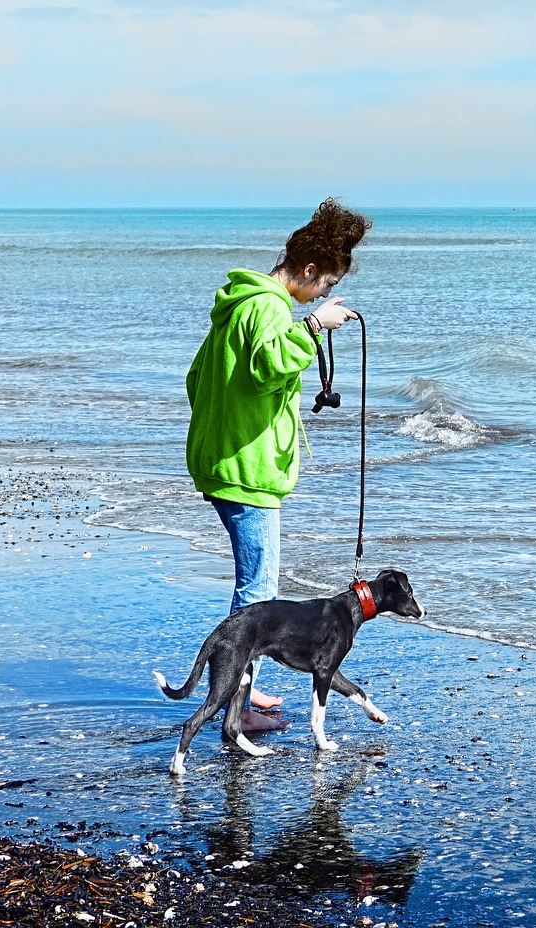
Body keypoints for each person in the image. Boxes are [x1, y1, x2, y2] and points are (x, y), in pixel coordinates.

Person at [185, 198, 369, 730]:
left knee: (255, 586)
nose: (327, 295)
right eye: (327, 287)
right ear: (309, 272)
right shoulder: (268, 308)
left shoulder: (239, 304)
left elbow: (197, 380)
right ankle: (233, 711)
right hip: (247, 470)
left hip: (225, 461)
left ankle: (244, 684)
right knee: (257, 592)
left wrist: (224, 426)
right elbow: (268, 368)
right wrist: (313, 327)